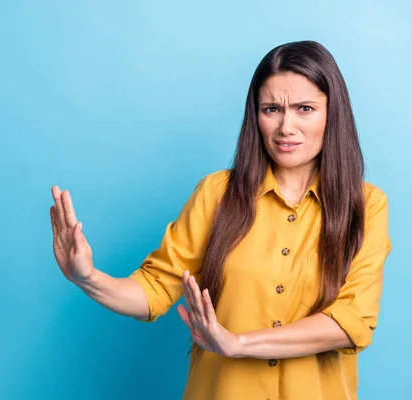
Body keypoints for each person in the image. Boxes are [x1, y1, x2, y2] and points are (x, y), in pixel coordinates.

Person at [49, 40, 392, 400]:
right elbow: (154, 289)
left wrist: (237, 343)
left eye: (305, 108)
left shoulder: (366, 206)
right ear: (255, 115)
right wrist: (88, 278)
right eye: (271, 108)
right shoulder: (216, 194)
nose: (286, 126)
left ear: (332, 113)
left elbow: (350, 321)